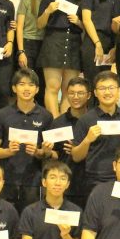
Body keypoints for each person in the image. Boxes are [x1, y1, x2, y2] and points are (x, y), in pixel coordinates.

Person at [0, 68, 54, 212]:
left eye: (31, 85)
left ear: (37, 89)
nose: (26, 88)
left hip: (33, 180)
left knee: (30, 220)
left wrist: (39, 152)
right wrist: (8, 151)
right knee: (5, 219)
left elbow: (50, 153)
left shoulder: (46, 116)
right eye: (22, 84)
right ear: (14, 88)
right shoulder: (1, 115)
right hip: (6, 179)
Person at [71, 71, 120, 197]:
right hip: (95, 180)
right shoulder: (86, 119)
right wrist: (87, 140)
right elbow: (76, 157)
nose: (107, 92)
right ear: (95, 93)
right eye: (102, 88)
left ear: (119, 91)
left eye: (111, 88)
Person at [37, 0, 83, 118]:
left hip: (74, 44)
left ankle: (65, 124)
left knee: (69, 89)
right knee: (52, 87)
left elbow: (87, 25)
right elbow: (39, 24)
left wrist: (78, 21)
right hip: (53, 43)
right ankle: (54, 123)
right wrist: (48, 11)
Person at [51, 76, 91, 210]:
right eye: (71, 93)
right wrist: (47, 151)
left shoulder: (95, 120)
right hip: (67, 184)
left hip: (92, 182)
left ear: (89, 95)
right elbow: (55, 154)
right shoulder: (58, 123)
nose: (75, 97)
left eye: (80, 93)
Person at [17, 0, 53, 107]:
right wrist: (21, 51)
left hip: (46, 45)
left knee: (43, 83)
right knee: (28, 81)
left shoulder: (53, 1)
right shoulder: (26, 0)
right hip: (28, 43)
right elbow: (19, 27)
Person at [80, 0, 117, 87]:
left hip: (109, 44)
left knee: (105, 84)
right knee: (92, 84)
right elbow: (86, 20)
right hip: (93, 42)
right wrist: (97, 44)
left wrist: (115, 47)